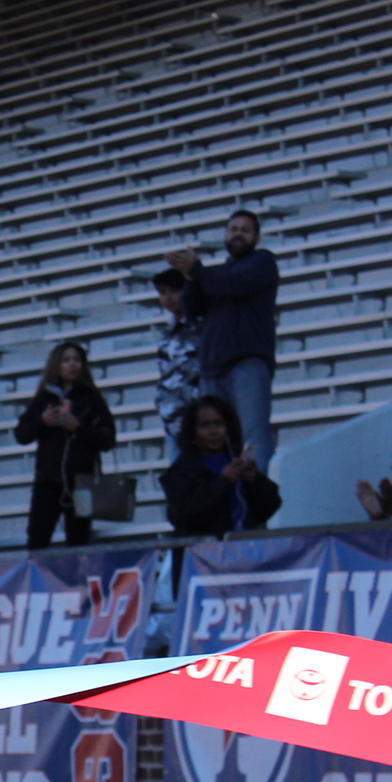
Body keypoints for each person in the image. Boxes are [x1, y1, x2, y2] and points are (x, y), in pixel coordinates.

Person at [166, 210, 278, 472]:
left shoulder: (262, 261)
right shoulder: (215, 274)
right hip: (212, 368)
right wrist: (191, 277)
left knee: (252, 435)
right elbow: (192, 307)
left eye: (245, 230)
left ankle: (256, 500)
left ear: (257, 238)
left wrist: (197, 270)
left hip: (246, 363)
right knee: (212, 442)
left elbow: (234, 285)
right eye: (233, 229)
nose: (237, 234)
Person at [14, 341, 117, 549]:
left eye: (77, 360)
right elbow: (21, 435)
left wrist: (78, 427)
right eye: (66, 360)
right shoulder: (44, 398)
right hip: (48, 480)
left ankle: (77, 581)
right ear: (56, 365)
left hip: (82, 481)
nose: (72, 365)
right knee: (37, 539)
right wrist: (42, 422)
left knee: (79, 541)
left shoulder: (91, 398)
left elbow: (108, 439)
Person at [160, 396, 282, 537]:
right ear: (192, 431)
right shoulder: (181, 471)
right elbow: (184, 515)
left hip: (246, 548)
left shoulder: (236, 460)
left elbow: (271, 506)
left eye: (218, 424)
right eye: (205, 425)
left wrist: (254, 480)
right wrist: (223, 481)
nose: (213, 431)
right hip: (206, 555)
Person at [151, 267, 201, 462]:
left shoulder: (202, 326)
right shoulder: (166, 334)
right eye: (163, 292)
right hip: (173, 419)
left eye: (174, 290)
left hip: (199, 415)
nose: (168, 297)